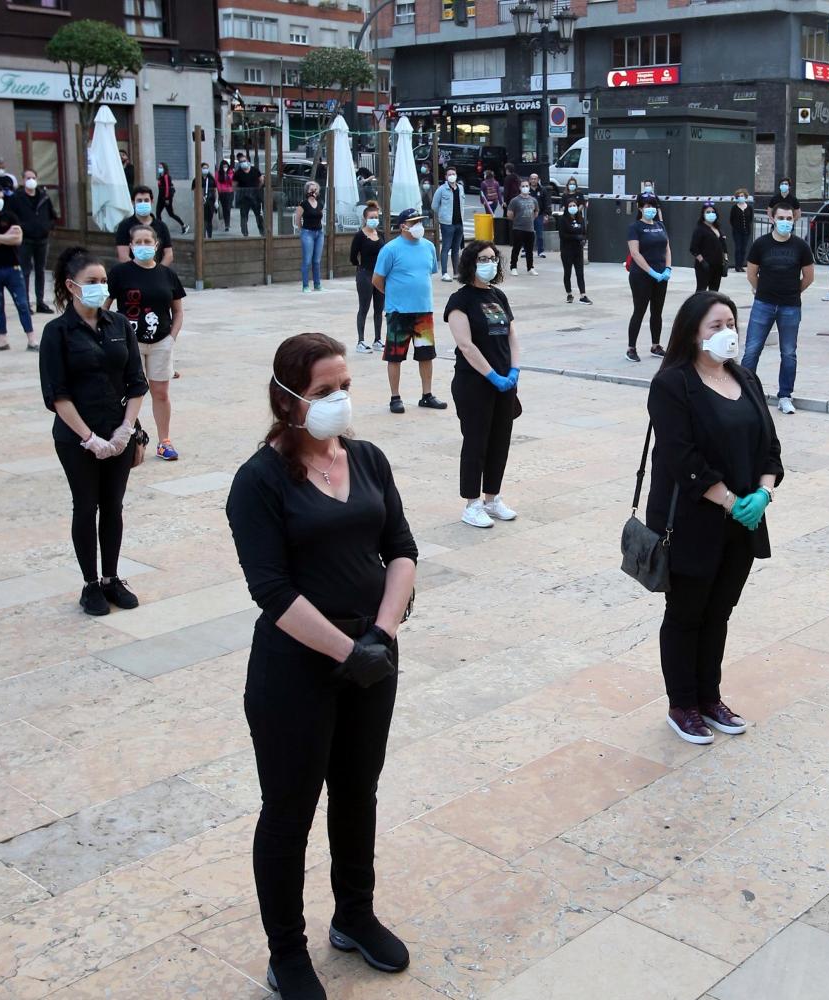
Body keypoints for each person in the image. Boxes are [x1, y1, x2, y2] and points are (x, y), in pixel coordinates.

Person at [226, 331, 417, 1000]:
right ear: (286, 401)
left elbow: (400, 549)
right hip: (295, 671)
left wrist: (382, 636)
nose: (338, 400)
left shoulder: (367, 459)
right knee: (289, 809)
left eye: (345, 387)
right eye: (322, 391)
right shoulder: (259, 480)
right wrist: (347, 651)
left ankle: (355, 915)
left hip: (372, 659)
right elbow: (272, 591)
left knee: (357, 793)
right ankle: (287, 952)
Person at [647, 291, 783, 744]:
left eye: (732, 323)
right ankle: (682, 704)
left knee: (720, 611)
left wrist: (762, 493)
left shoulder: (746, 378)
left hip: (743, 522)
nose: (728, 333)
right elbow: (680, 457)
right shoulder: (673, 385)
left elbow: (771, 448)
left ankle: (710, 696)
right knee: (686, 612)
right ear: (692, 332)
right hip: (692, 521)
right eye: (716, 326)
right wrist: (728, 500)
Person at [39, 246, 147, 616]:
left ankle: (111, 577)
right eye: (92, 282)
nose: (101, 287)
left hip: (118, 432)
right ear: (72, 286)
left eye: (104, 281)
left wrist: (126, 431)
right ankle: (90, 583)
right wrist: (89, 438)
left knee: (113, 506)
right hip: (76, 438)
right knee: (86, 507)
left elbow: (136, 382)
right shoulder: (57, 333)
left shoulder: (119, 326)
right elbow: (57, 395)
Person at [445, 240, 522, 529]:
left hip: (505, 382)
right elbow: (465, 345)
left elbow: (512, 334)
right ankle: (472, 503)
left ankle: (492, 498)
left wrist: (513, 370)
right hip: (474, 382)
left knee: (499, 440)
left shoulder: (498, 296)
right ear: (470, 263)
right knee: (476, 441)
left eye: (492, 258)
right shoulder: (460, 301)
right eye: (482, 259)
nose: (489, 263)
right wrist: (491, 375)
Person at [105, 223, 186, 460]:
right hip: (130, 343)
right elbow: (105, 308)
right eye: (138, 242)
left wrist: (171, 337)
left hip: (161, 341)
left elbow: (178, 311)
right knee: (130, 392)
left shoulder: (167, 274)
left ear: (156, 245)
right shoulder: (120, 273)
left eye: (147, 242)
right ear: (130, 246)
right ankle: (127, 436)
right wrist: (110, 336)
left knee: (160, 392)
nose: (143, 246)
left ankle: (164, 441)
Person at [740, 203, 814, 414]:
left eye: (789, 219)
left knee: (789, 353)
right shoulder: (761, 244)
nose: (785, 222)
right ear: (772, 219)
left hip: (790, 306)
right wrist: (762, 290)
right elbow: (751, 273)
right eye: (781, 218)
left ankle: (785, 396)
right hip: (763, 304)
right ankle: (744, 392)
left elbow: (808, 277)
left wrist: (793, 291)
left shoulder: (801, 246)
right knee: (752, 349)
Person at [372, 208, 447, 414]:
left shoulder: (429, 247)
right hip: (398, 311)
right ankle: (395, 397)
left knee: (426, 354)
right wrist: (393, 296)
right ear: (403, 225)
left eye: (420, 222)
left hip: (424, 310)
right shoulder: (390, 249)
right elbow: (377, 279)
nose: (418, 226)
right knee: (395, 356)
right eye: (414, 222)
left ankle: (427, 394)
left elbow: (430, 271)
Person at [0, 181, 35, 352]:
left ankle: (31, 340)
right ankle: (2, 341)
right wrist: (5, 236)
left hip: (13, 268)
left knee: (22, 304)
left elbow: (17, 239)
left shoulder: (9, 216)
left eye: (1, 197)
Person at [626, 192, 671, 363]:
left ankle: (656, 345)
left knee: (657, 312)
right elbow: (635, 253)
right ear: (640, 208)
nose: (650, 209)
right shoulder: (635, 227)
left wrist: (667, 269)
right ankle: (631, 348)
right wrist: (651, 272)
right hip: (641, 276)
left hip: (661, 275)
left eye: (653, 206)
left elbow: (667, 248)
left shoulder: (660, 226)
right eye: (647, 206)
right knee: (639, 310)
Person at [9, 167, 57, 313]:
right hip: (25, 240)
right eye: (28, 178)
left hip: (42, 239)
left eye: (33, 178)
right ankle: (25, 303)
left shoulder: (44, 196)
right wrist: (22, 228)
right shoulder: (17, 198)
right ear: (23, 180)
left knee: (40, 271)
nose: (31, 180)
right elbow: (11, 216)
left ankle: (40, 302)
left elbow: (52, 215)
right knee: (25, 271)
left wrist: (47, 227)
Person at [351, 201, 387, 354]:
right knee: (364, 307)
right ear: (365, 218)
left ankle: (377, 339)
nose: (374, 219)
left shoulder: (380, 234)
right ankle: (361, 340)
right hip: (365, 273)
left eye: (376, 217)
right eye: (371, 217)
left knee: (379, 308)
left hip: (379, 274)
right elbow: (352, 257)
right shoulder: (360, 236)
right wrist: (360, 268)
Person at [115, 186, 174, 266]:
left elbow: (169, 255)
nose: (143, 203)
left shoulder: (162, 226)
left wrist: (158, 271)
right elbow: (123, 256)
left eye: (146, 200)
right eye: (139, 200)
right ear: (133, 202)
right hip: (132, 274)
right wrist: (140, 272)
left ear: (152, 201)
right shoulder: (124, 226)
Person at [431, 168, 465, 282]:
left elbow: (462, 203)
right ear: (446, 176)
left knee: (456, 248)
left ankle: (456, 272)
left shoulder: (460, 188)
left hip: (459, 223)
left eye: (453, 174)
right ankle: (444, 273)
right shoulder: (441, 190)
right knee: (446, 247)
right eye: (449, 174)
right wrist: (443, 215)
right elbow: (434, 205)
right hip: (447, 223)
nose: (452, 176)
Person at [689, 201, 728, 293]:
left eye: (713, 212)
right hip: (704, 265)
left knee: (714, 291)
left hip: (718, 265)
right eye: (708, 212)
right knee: (701, 290)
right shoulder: (699, 229)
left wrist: (725, 260)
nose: (711, 214)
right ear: (703, 214)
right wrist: (702, 261)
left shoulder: (718, 228)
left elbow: (723, 245)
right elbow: (693, 248)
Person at [294, 181, 325, 293]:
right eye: (311, 189)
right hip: (308, 233)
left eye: (315, 189)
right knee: (307, 260)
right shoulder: (303, 204)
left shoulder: (320, 203)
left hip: (319, 232)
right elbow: (298, 218)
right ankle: (305, 285)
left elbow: (320, 215)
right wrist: (301, 229)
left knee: (316, 260)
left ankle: (317, 284)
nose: (313, 191)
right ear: (307, 191)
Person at [558, 196, 589, 303]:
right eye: (570, 206)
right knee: (568, 272)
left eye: (574, 205)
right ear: (567, 207)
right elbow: (562, 235)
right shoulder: (563, 220)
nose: (572, 207)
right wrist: (575, 237)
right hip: (567, 250)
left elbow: (584, 232)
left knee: (580, 273)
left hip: (578, 250)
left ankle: (583, 295)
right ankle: (569, 294)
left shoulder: (580, 219)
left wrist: (583, 239)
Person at [506, 181, 539, 275]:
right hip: (518, 229)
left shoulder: (533, 200)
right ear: (520, 188)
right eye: (523, 186)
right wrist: (517, 220)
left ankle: (530, 267)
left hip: (530, 229)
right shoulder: (515, 200)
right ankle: (513, 267)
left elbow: (536, 212)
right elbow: (510, 214)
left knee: (529, 250)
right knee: (516, 249)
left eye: (527, 186)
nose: (525, 187)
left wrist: (531, 218)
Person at [235, 156, 265, 237]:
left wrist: (257, 189)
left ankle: (262, 232)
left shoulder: (255, 170)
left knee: (258, 215)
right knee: (244, 216)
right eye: (241, 162)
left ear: (247, 161)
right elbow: (234, 185)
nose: (243, 163)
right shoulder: (238, 173)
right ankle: (245, 233)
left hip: (255, 197)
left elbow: (261, 180)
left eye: (244, 161)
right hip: (244, 198)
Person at [155, 162, 188, 235]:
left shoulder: (166, 176)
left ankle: (184, 225)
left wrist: (167, 198)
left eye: (161, 167)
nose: (159, 169)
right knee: (158, 213)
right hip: (160, 197)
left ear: (164, 168)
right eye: (159, 167)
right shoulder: (160, 177)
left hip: (166, 198)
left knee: (171, 214)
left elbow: (167, 187)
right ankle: (160, 229)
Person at [528, 172, 552, 258]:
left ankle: (540, 251)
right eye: (532, 178)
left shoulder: (542, 190)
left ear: (538, 180)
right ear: (530, 180)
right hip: (528, 215)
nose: (534, 180)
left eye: (535, 179)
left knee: (540, 234)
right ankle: (525, 250)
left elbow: (546, 203)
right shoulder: (526, 190)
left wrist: (546, 214)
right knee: (527, 233)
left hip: (539, 214)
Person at [730, 190, 753, 275]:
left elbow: (750, 218)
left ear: (745, 197)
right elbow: (731, 220)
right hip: (737, 232)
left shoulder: (749, 207)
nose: (741, 197)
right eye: (739, 196)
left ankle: (741, 265)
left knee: (743, 249)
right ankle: (737, 266)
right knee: (738, 248)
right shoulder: (734, 208)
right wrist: (736, 227)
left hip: (746, 231)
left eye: (742, 195)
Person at [192, 162, 217, 239]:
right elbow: (194, 191)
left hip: (210, 202)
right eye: (203, 168)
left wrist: (216, 201)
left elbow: (215, 190)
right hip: (200, 202)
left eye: (206, 168)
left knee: (209, 220)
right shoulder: (196, 180)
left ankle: (209, 236)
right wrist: (194, 202)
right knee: (202, 220)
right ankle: (202, 237)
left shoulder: (211, 179)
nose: (205, 170)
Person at [215, 159, 235, 232]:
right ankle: (226, 223)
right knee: (224, 208)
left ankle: (227, 224)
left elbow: (232, 182)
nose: (225, 168)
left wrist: (227, 175)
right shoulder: (218, 173)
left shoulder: (231, 172)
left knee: (228, 208)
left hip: (229, 192)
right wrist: (220, 191)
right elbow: (217, 183)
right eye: (223, 166)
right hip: (222, 193)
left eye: (226, 166)